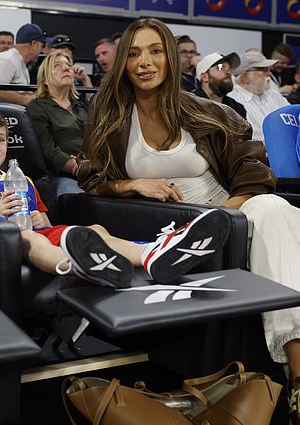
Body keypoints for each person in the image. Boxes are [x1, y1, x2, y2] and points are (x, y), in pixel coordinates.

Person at [78, 18, 300, 422]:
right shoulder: (110, 117)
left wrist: (226, 217)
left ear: (170, 57)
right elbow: (92, 178)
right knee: (277, 216)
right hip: (173, 229)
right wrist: (131, 185)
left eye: (155, 51)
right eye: (134, 52)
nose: (145, 62)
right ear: (123, 62)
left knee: (273, 208)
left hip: (230, 210)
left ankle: (299, 379)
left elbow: (253, 170)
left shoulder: (207, 111)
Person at [0, 106, 228, 288]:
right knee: (33, 239)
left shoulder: (23, 180)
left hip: (41, 231)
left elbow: (43, 219)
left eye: (0, 139)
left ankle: (153, 253)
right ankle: (74, 266)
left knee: (94, 231)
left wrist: (38, 216)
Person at [26, 51, 87, 197]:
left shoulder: (81, 107)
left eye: (68, 65)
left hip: (94, 170)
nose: (66, 68)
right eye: (57, 66)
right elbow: (47, 150)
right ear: (45, 80)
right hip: (62, 175)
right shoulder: (37, 107)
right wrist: (76, 167)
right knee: (76, 197)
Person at [0, 23, 51, 106]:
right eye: (41, 46)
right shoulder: (6, 59)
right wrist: (25, 99)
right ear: (33, 44)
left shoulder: (21, 63)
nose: (41, 51)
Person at [228, 51, 289, 142]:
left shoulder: (273, 95)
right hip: (256, 154)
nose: (269, 74)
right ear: (245, 76)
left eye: (269, 69)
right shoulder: (232, 101)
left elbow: (294, 118)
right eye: (264, 69)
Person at [194, 51, 246, 119]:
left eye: (229, 68)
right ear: (204, 77)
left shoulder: (237, 109)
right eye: (221, 68)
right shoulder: (191, 105)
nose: (228, 72)